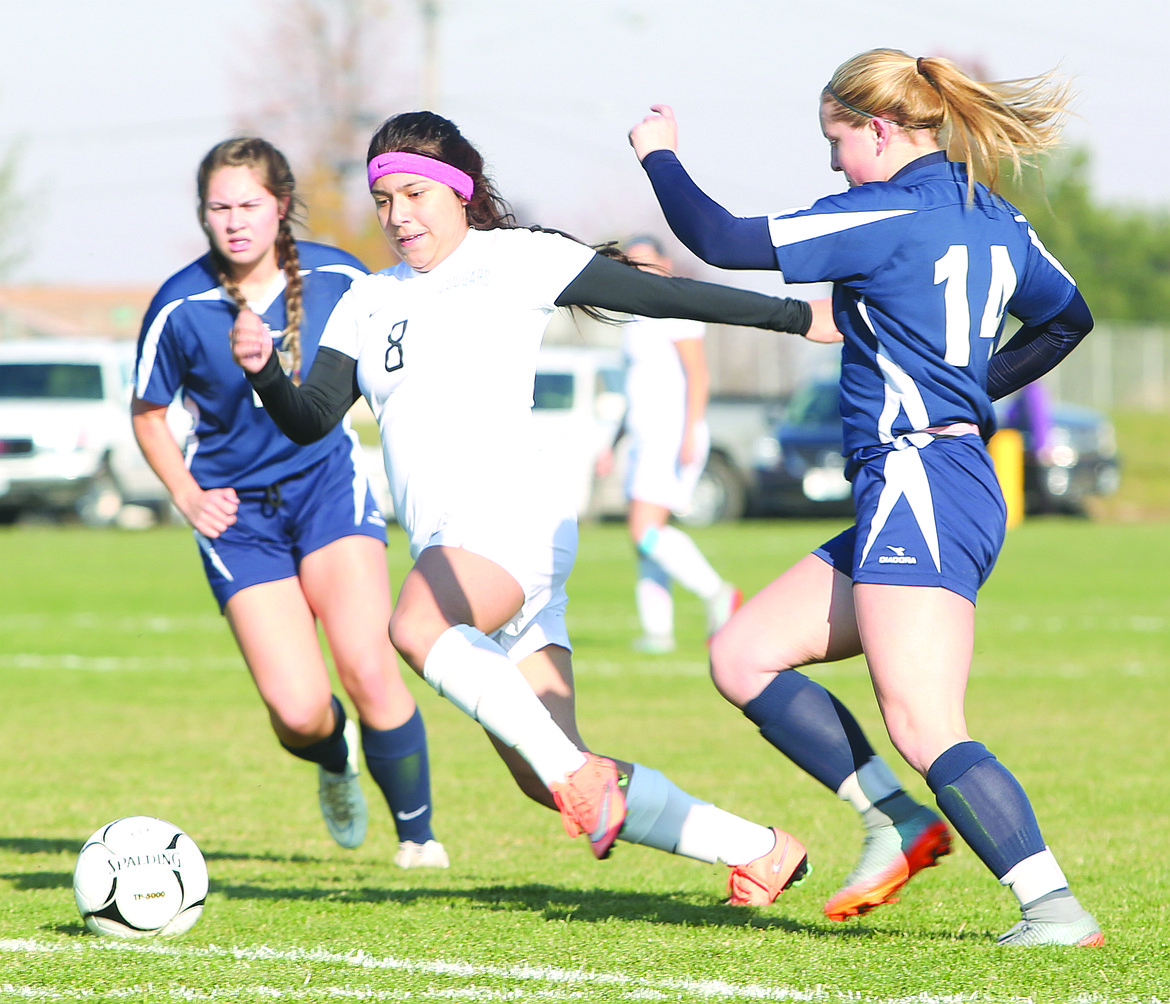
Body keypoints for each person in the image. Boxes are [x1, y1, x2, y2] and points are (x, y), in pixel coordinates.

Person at [231, 110, 839, 906]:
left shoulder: (517, 261)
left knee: (415, 629)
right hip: (455, 548)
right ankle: (758, 848)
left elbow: (661, 296)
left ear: (462, 193)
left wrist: (796, 316)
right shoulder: (366, 299)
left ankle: (581, 778)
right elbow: (312, 417)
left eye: (416, 194)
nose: (398, 216)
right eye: (384, 201)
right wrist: (264, 373)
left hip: (509, 520)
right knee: (546, 770)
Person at [628, 49, 1102, 947]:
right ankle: (897, 820)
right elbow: (1067, 317)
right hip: (932, 482)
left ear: (880, 130)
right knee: (744, 655)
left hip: (922, 483)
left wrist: (657, 153)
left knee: (925, 721)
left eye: (836, 141)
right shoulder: (989, 215)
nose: (832, 164)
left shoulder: (882, 210)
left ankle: (1053, 906)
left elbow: (724, 238)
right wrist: (970, 385)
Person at [132, 137, 448, 870]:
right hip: (240, 521)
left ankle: (419, 838)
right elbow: (148, 413)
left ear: (280, 206)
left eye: (249, 204)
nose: (235, 221)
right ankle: (333, 757)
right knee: (300, 710)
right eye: (220, 208)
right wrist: (185, 493)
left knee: (369, 665)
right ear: (203, 216)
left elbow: (407, 352)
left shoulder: (343, 277)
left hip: (328, 491)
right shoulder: (181, 304)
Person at [595, 235, 741, 654]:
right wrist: (613, 443)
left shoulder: (675, 308)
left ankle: (718, 593)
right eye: (631, 263)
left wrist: (690, 430)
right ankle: (657, 632)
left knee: (645, 532)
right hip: (643, 437)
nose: (638, 269)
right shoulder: (632, 316)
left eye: (646, 261)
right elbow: (633, 389)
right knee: (644, 537)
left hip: (669, 435)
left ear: (665, 263)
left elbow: (698, 375)